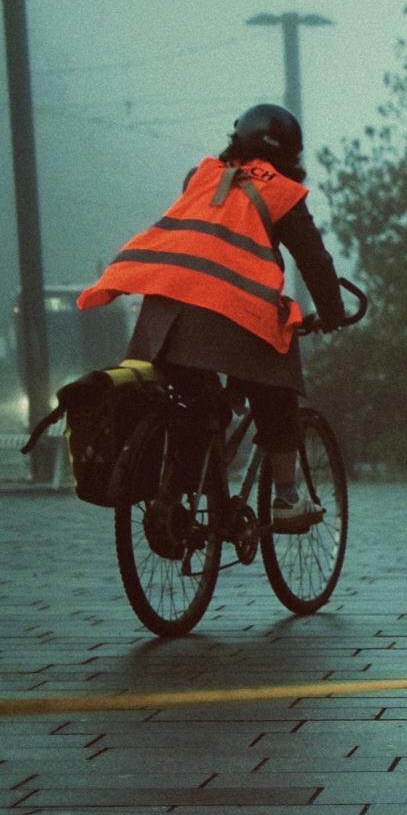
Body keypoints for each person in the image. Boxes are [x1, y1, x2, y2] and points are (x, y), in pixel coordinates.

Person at [79, 103, 349, 530]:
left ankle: (180, 495)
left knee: (198, 401)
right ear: (291, 157)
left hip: (163, 310)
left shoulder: (200, 176)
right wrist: (333, 312)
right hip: (229, 313)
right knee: (276, 380)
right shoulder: (282, 193)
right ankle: (286, 499)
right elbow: (314, 261)